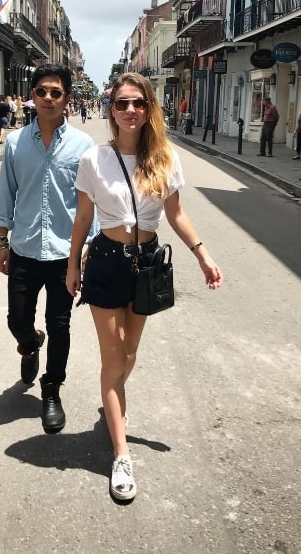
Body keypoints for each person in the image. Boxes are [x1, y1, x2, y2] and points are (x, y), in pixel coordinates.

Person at [66, 72, 223, 502]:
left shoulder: (166, 158)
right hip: (105, 263)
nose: (129, 110)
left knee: (129, 354)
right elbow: (82, 218)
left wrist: (203, 254)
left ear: (149, 108)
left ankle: (113, 398)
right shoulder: (94, 159)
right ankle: (120, 453)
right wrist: (71, 264)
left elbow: (177, 215)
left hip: (146, 265)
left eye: (137, 103)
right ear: (111, 110)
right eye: (121, 104)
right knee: (113, 355)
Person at [0, 64, 96, 435]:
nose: (48, 98)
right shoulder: (15, 143)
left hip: (64, 255)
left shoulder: (84, 146)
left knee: (61, 324)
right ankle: (30, 343)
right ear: (31, 96)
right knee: (17, 320)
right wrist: (1, 240)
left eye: (55, 92)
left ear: (67, 98)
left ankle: (51, 390)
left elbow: (90, 203)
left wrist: (87, 249)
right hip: (23, 247)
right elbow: (7, 193)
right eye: (41, 91)